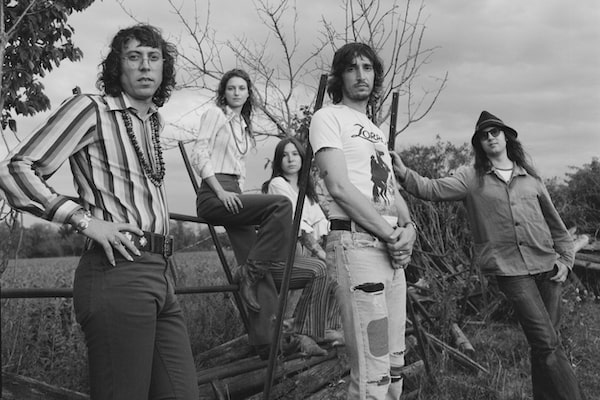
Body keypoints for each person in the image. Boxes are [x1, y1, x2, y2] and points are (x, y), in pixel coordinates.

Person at [0, 24, 199, 399]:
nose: (145, 66)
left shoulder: (153, 123)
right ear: (117, 67)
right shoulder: (91, 109)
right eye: (134, 57)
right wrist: (84, 220)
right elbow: (15, 169)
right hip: (116, 271)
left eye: (153, 57)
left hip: (160, 272)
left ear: (164, 68)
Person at [392, 110, 586, 400]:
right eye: (484, 135)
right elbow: (430, 188)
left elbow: (556, 224)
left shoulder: (530, 178)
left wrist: (566, 261)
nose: (490, 137)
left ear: (506, 137)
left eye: (495, 132)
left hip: (549, 268)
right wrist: (404, 173)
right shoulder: (471, 178)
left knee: (544, 344)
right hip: (511, 271)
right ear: (479, 144)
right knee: (547, 343)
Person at [191, 69, 334, 356]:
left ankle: (268, 342)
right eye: (231, 88)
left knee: (262, 272)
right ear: (224, 92)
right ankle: (248, 273)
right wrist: (220, 191)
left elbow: (239, 169)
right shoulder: (215, 115)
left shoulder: (243, 127)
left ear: (248, 94)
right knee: (280, 206)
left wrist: (240, 197)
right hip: (214, 193)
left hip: (234, 193)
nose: (236, 93)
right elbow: (199, 153)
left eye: (242, 88)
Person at [309, 42, 418, 399]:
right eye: (352, 68)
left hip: (391, 256)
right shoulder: (328, 117)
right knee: (374, 376)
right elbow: (338, 186)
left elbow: (390, 189)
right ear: (339, 76)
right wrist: (390, 234)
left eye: (368, 68)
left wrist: (409, 230)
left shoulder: (374, 130)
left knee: (395, 368)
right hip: (358, 249)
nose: (361, 75)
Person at [262, 137, 344, 350]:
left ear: (302, 158)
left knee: (339, 269)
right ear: (278, 161)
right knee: (323, 268)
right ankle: (302, 329)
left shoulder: (306, 192)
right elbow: (298, 225)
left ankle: (328, 327)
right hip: (281, 254)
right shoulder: (277, 185)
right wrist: (322, 254)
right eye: (284, 155)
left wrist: (333, 253)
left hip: (301, 253)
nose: (290, 159)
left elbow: (322, 226)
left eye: (295, 154)